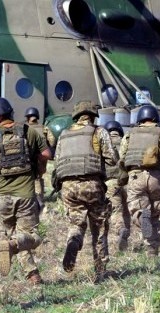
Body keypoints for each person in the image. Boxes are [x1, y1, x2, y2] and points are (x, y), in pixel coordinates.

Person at [0, 97, 52, 285]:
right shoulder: (28, 132)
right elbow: (47, 154)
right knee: (31, 236)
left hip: (1, 198)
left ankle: (33, 276)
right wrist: (39, 168)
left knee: (14, 234)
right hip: (25, 195)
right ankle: (12, 246)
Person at [54, 100, 118, 282]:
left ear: (75, 116)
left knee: (76, 223)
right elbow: (112, 158)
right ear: (92, 116)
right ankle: (100, 271)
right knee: (99, 227)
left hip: (68, 188)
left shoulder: (64, 135)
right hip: (92, 185)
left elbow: (58, 161)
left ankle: (74, 240)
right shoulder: (98, 132)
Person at [118, 105, 160, 256]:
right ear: (155, 118)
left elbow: (122, 157)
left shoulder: (130, 135)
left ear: (140, 119)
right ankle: (152, 251)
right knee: (154, 215)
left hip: (136, 177)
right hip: (156, 178)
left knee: (141, 212)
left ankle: (144, 225)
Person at [103, 120, 131, 251]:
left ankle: (121, 230)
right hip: (129, 181)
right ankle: (126, 238)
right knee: (127, 211)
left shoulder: (104, 144)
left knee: (116, 211)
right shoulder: (127, 142)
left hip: (111, 183)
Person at [24, 107, 56, 213]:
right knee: (38, 178)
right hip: (41, 157)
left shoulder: (24, 128)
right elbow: (52, 141)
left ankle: (34, 203)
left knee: (28, 178)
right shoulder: (44, 128)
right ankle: (39, 200)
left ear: (28, 117)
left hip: (28, 158)